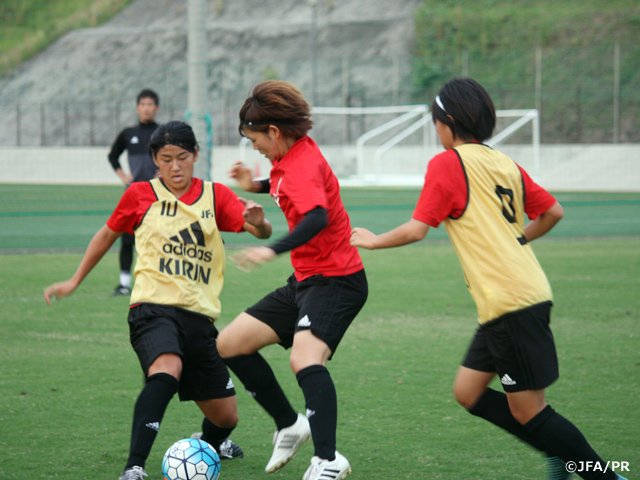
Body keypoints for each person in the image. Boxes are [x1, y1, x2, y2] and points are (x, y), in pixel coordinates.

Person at [350, 78, 627, 480]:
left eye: (435, 124)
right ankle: (558, 449)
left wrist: (373, 241)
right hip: (513, 297)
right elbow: (553, 212)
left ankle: (601, 474)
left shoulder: (448, 163)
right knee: (468, 392)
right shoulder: (504, 163)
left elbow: (416, 230)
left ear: (446, 121)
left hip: (511, 300)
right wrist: (517, 239)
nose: (435, 132)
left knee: (530, 411)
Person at [44, 121, 272, 480]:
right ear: (154, 160)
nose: (175, 166)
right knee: (166, 369)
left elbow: (260, 229)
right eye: (166, 159)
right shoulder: (140, 195)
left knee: (226, 417)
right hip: (152, 308)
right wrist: (74, 280)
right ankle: (134, 466)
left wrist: (259, 224)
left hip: (200, 317)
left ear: (195, 155)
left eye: (182, 157)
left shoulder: (215, 197)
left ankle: (211, 442)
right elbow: (107, 234)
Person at [215, 80, 368, 480]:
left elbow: (316, 215)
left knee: (305, 359)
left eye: (254, 141)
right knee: (230, 344)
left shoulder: (300, 163)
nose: (256, 149)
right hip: (306, 281)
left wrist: (271, 248)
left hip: (336, 281)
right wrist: (254, 186)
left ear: (274, 132)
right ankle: (289, 423)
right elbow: (287, 189)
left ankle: (329, 460)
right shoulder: (292, 158)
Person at [107, 88, 161, 296]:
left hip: (157, 195)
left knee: (159, 237)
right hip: (134, 195)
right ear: (138, 107)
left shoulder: (163, 132)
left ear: (156, 108)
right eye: (143, 105)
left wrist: (162, 173)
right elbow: (112, 156)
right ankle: (124, 284)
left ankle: (157, 283)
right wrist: (123, 176)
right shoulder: (128, 134)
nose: (146, 109)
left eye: (150, 105)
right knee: (127, 238)